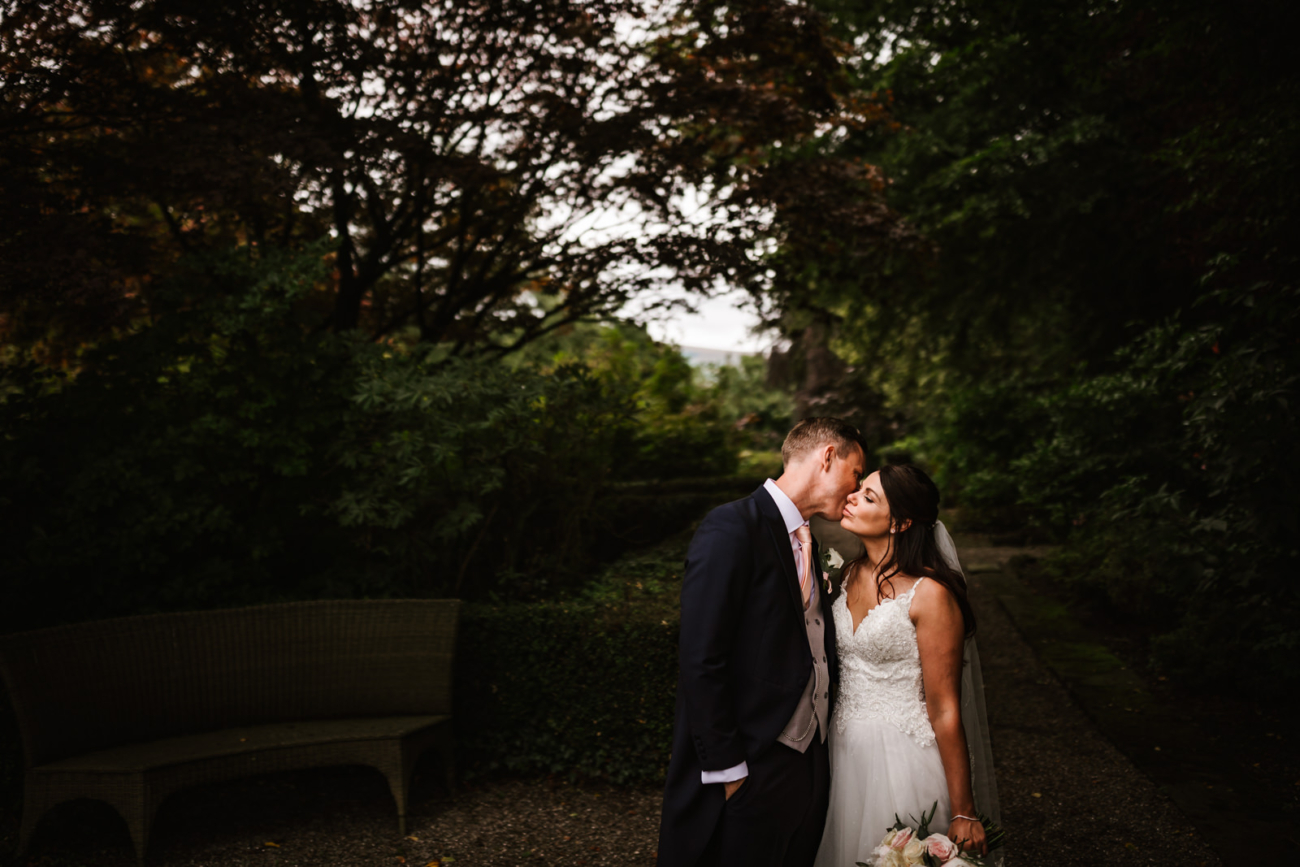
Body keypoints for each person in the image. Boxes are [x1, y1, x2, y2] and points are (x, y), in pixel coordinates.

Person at [657, 418, 867, 867]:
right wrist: (731, 773)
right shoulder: (731, 526)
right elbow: (701, 658)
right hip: (750, 767)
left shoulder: (809, 538)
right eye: (856, 473)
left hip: (807, 764)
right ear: (828, 456)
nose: (856, 488)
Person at [812, 465, 1001, 867]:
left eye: (868, 496)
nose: (851, 497)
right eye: (859, 489)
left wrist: (964, 810)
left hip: (900, 759)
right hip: (841, 756)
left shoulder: (930, 596)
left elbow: (946, 708)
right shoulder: (847, 574)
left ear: (900, 522)